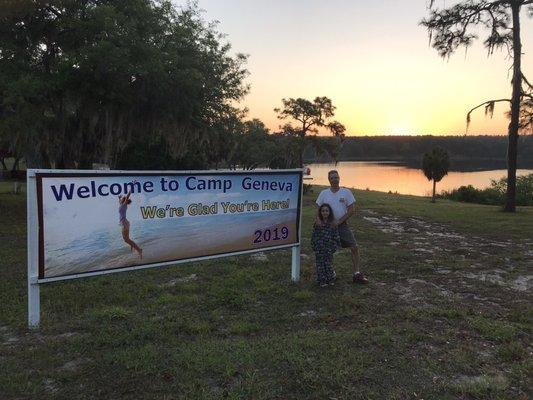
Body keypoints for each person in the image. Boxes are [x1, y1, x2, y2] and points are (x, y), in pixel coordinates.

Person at [316, 170, 368, 283]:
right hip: (327, 227)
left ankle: (357, 273)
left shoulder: (346, 192)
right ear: (329, 180)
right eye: (332, 178)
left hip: (342, 225)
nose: (335, 179)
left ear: (339, 178)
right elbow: (318, 210)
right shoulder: (323, 193)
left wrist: (339, 222)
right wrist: (319, 221)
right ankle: (330, 273)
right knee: (327, 251)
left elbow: (351, 210)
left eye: (336, 177)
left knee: (354, 247)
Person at [311, 203, 340, 287]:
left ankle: (330, 279)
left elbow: (336, 236)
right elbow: (314, 235)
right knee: (320, 265)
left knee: (328, 264)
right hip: (319, 248)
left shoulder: (333, 223)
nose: (325, 212)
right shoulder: (317, 223)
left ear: (330, 212)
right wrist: (314, 245)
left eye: (327, 211)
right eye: (323, 211)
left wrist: (335, 246)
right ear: (320, 212)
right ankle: (322, 281)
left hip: (329, 248)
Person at [118, 186, 143, 259]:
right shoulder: (121, 205)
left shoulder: (124, 205)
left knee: (126, 239)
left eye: (123, 198)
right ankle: (133, 246)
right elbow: (119, 202)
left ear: (125, 200)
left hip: (124, 223)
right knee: (127, 239)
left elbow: (128, 194)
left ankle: (139, 249)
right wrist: (119, 198)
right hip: (125, 223)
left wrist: (132, 186)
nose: (122, 198)